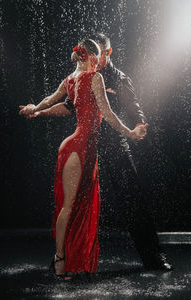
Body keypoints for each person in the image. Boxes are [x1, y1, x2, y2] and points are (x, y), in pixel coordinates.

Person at [19, 38, 147, 280]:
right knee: (69, 206)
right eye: (96, 58)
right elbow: (107, 113)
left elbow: (49, 100)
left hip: (80, 149)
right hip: (78, 148)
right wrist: (130, 133)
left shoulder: (69, 80)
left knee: (76, 206)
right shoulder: (94, 78)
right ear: (86, 56)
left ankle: (68, 259)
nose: (98, 64)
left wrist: (34, 109)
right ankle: (60, 260)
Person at [62, 33, 173, 271]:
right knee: (74, 202)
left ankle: (154, 257)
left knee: (134, 202)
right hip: (86, 146)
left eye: (99, 54)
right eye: (91, 54)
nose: (95, 58)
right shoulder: (82, 75)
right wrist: (39, 110)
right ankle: (69, 260)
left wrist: (139, 124)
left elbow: (134, 107)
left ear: (108, 53)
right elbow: (68, 105)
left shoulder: (118, 78)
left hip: (114, 148)